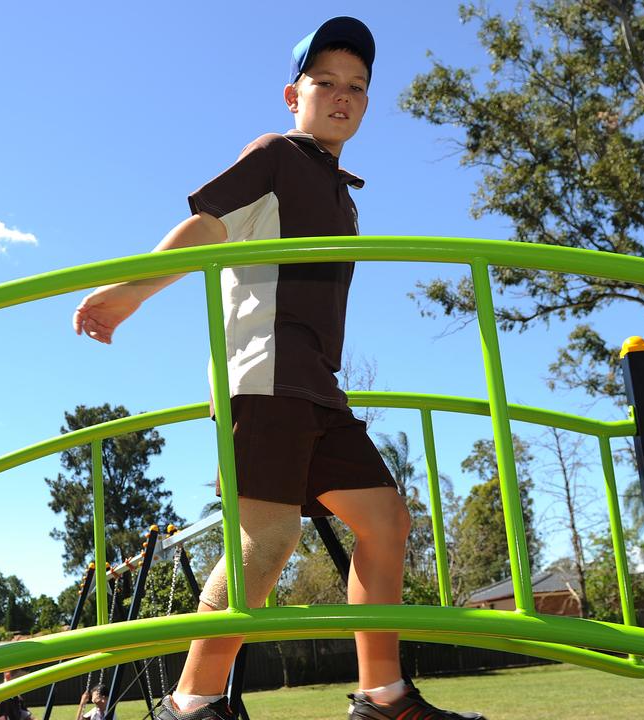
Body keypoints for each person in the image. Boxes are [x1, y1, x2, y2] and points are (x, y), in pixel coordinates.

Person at [71, 16, 485, 720]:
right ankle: (191, 704)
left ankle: (383, 696)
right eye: (326, 82)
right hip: (263, 373)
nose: (343, 95)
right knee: (267, 540)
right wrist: (130, 293)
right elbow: (206, 228)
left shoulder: (339, 191)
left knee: (385, 520)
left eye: (357, 86)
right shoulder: (275, 157)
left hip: (315, 386)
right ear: (294, 94)